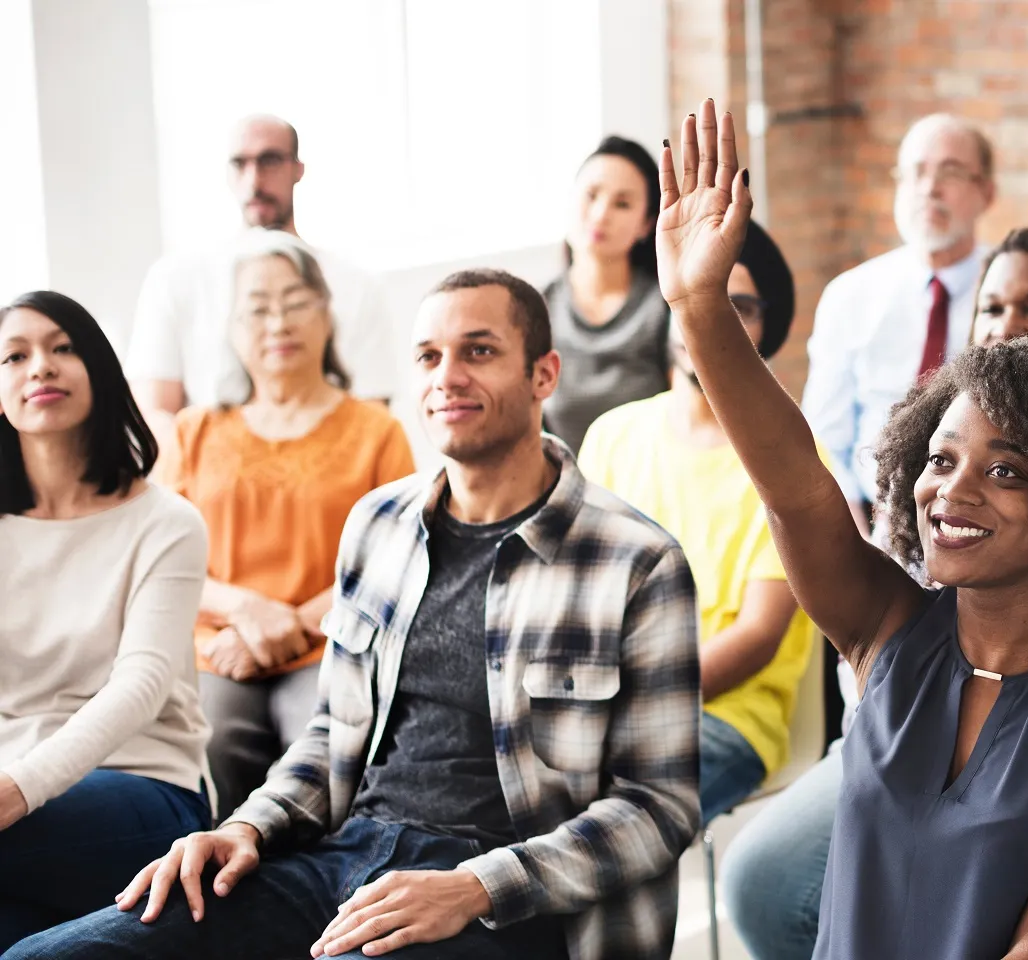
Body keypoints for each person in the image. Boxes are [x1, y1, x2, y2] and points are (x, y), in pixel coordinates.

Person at [8, 270, 701, 960]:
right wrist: (245, 828)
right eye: (429, 357)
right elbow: (330, 735)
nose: (447, 376)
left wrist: (473, 888)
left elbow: (657, 808)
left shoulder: (636, 561)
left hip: (506, 899)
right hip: (338, 858)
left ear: (544, 374)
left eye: (479, 352)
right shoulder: (380, 525)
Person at [665, 101, 1028, 959]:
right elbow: (796, 489)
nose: (952, 492)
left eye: (1005, 470)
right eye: (941, 459)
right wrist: (699, 306)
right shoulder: (889, 628)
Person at [161, 231, 415, 819]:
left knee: (323, 746)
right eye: (257, 308)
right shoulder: (193, 432)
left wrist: (290, 625)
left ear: (327, 315)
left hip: (333, 642)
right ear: (231, 329)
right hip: (219, 648)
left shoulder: (375, 431)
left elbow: (397, 561)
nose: (278, 322)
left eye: (295, 302)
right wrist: (248, 616)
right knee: (215, 740)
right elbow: (162, 563)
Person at [577, 218, 814, 824]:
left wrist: (632, 701)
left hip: (727, 717)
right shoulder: (613, 435)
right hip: (602, 700)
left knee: (595, 820)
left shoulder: (790, 461)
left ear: (768, 327)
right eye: (701, 298)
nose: (714, 320)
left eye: (740, 305)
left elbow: (759, 637)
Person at [0, 292, 211, 950]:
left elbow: (140, 685)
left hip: (144, 786)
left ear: (100, 371)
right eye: (16, 354)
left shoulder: (165, 522)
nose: (41, 367)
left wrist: (15, 790)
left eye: (63, 348)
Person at [127, 114, 399, 431]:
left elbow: (373, 415)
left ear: (298, 169)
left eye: (269, 160)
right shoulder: (173, 280)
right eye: (239, 164)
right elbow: (154, 413)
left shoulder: (356, 285)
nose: (254, 180)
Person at [801, 113, 997, 532]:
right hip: (874, 522)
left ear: (986, 192)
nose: (930, 188)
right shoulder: (850, 294)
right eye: (915, 173)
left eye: (951, 172)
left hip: (980, 518)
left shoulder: (1009, 293)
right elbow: (823, 439)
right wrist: (857, 541)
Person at [540, 135, 671, 452]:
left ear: (646, 225)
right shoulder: (538, 309)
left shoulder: (665, 308)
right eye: (591, 195)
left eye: (622, 204)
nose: (600, 215)